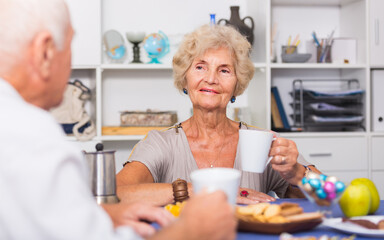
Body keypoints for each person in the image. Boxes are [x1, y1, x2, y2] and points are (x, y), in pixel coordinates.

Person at [0, 1, 236, 239]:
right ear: (46, 51)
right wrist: (190, 230)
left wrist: (104, 215)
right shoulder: (35, 142)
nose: (211, 79)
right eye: (71, 45)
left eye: (224, 70)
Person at [116, 24, 321, 206]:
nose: (211, 79)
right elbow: (115, 194)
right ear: (185, 79)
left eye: (224, 71)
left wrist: (298, 174)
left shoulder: (261, 142)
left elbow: (331, 197)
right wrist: (196, 190)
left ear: (236, 85)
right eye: (200, 67)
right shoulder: (160, 143)